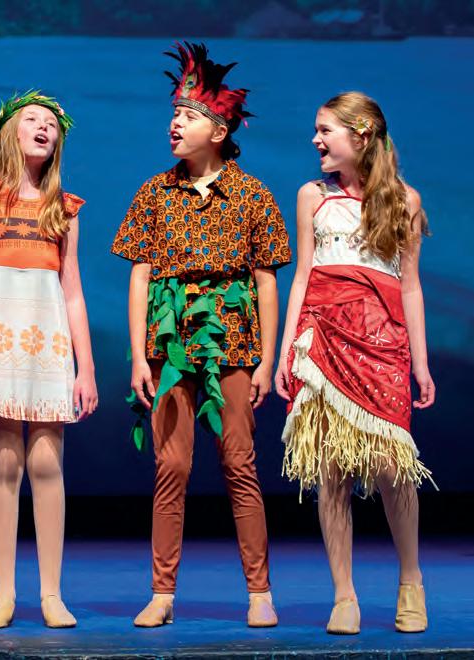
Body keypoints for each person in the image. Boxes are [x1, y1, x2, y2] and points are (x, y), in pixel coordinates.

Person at [111, 42, 290, 628]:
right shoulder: (154, 192)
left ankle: (259, 592)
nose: (174, 124)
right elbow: (140, 276)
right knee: (172, 467)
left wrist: (266, 360)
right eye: (173, 115)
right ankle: (162, 592)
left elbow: (265, 282)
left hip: (233, 344)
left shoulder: (252, 194)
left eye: (186, 116)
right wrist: (139, 356)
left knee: (239, 463)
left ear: (218, 130)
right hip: (171, 347)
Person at [277, 91, 435, 635]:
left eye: (326, 130)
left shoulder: (405, 200)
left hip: (382, 343)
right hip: (322, 341)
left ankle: (410, 581)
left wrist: (420, 363)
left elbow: (409, 286)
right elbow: (303, 275)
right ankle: (344, 594)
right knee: (330, 470)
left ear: (361, 135)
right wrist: (286, 352)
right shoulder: (312, 196)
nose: (316, 140)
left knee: (393, 466)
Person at [0, 91, 98, 628]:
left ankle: (51, 594)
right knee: (6, 463)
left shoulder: (65, 208)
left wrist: (85, 367)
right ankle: (4, 594)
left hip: (46, 343)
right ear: (9, 133)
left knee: (46, 463)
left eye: (51, 124)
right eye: (32, 119)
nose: (43, 128)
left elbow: (73, 292)